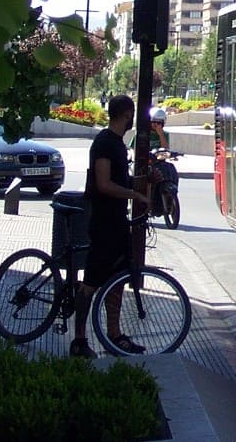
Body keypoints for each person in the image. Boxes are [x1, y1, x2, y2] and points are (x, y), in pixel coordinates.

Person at [73, 94, 150, 358]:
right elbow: (104, 183)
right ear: (127, 113)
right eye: (132, 115)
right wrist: (134, 195)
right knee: (91, 283)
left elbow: (119, 179)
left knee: (118, 279)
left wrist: (143, 180)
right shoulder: (105, 143)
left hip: (117, 223)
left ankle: (115, 335)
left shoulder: (117, 144)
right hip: (104, 224)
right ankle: (79, 339)